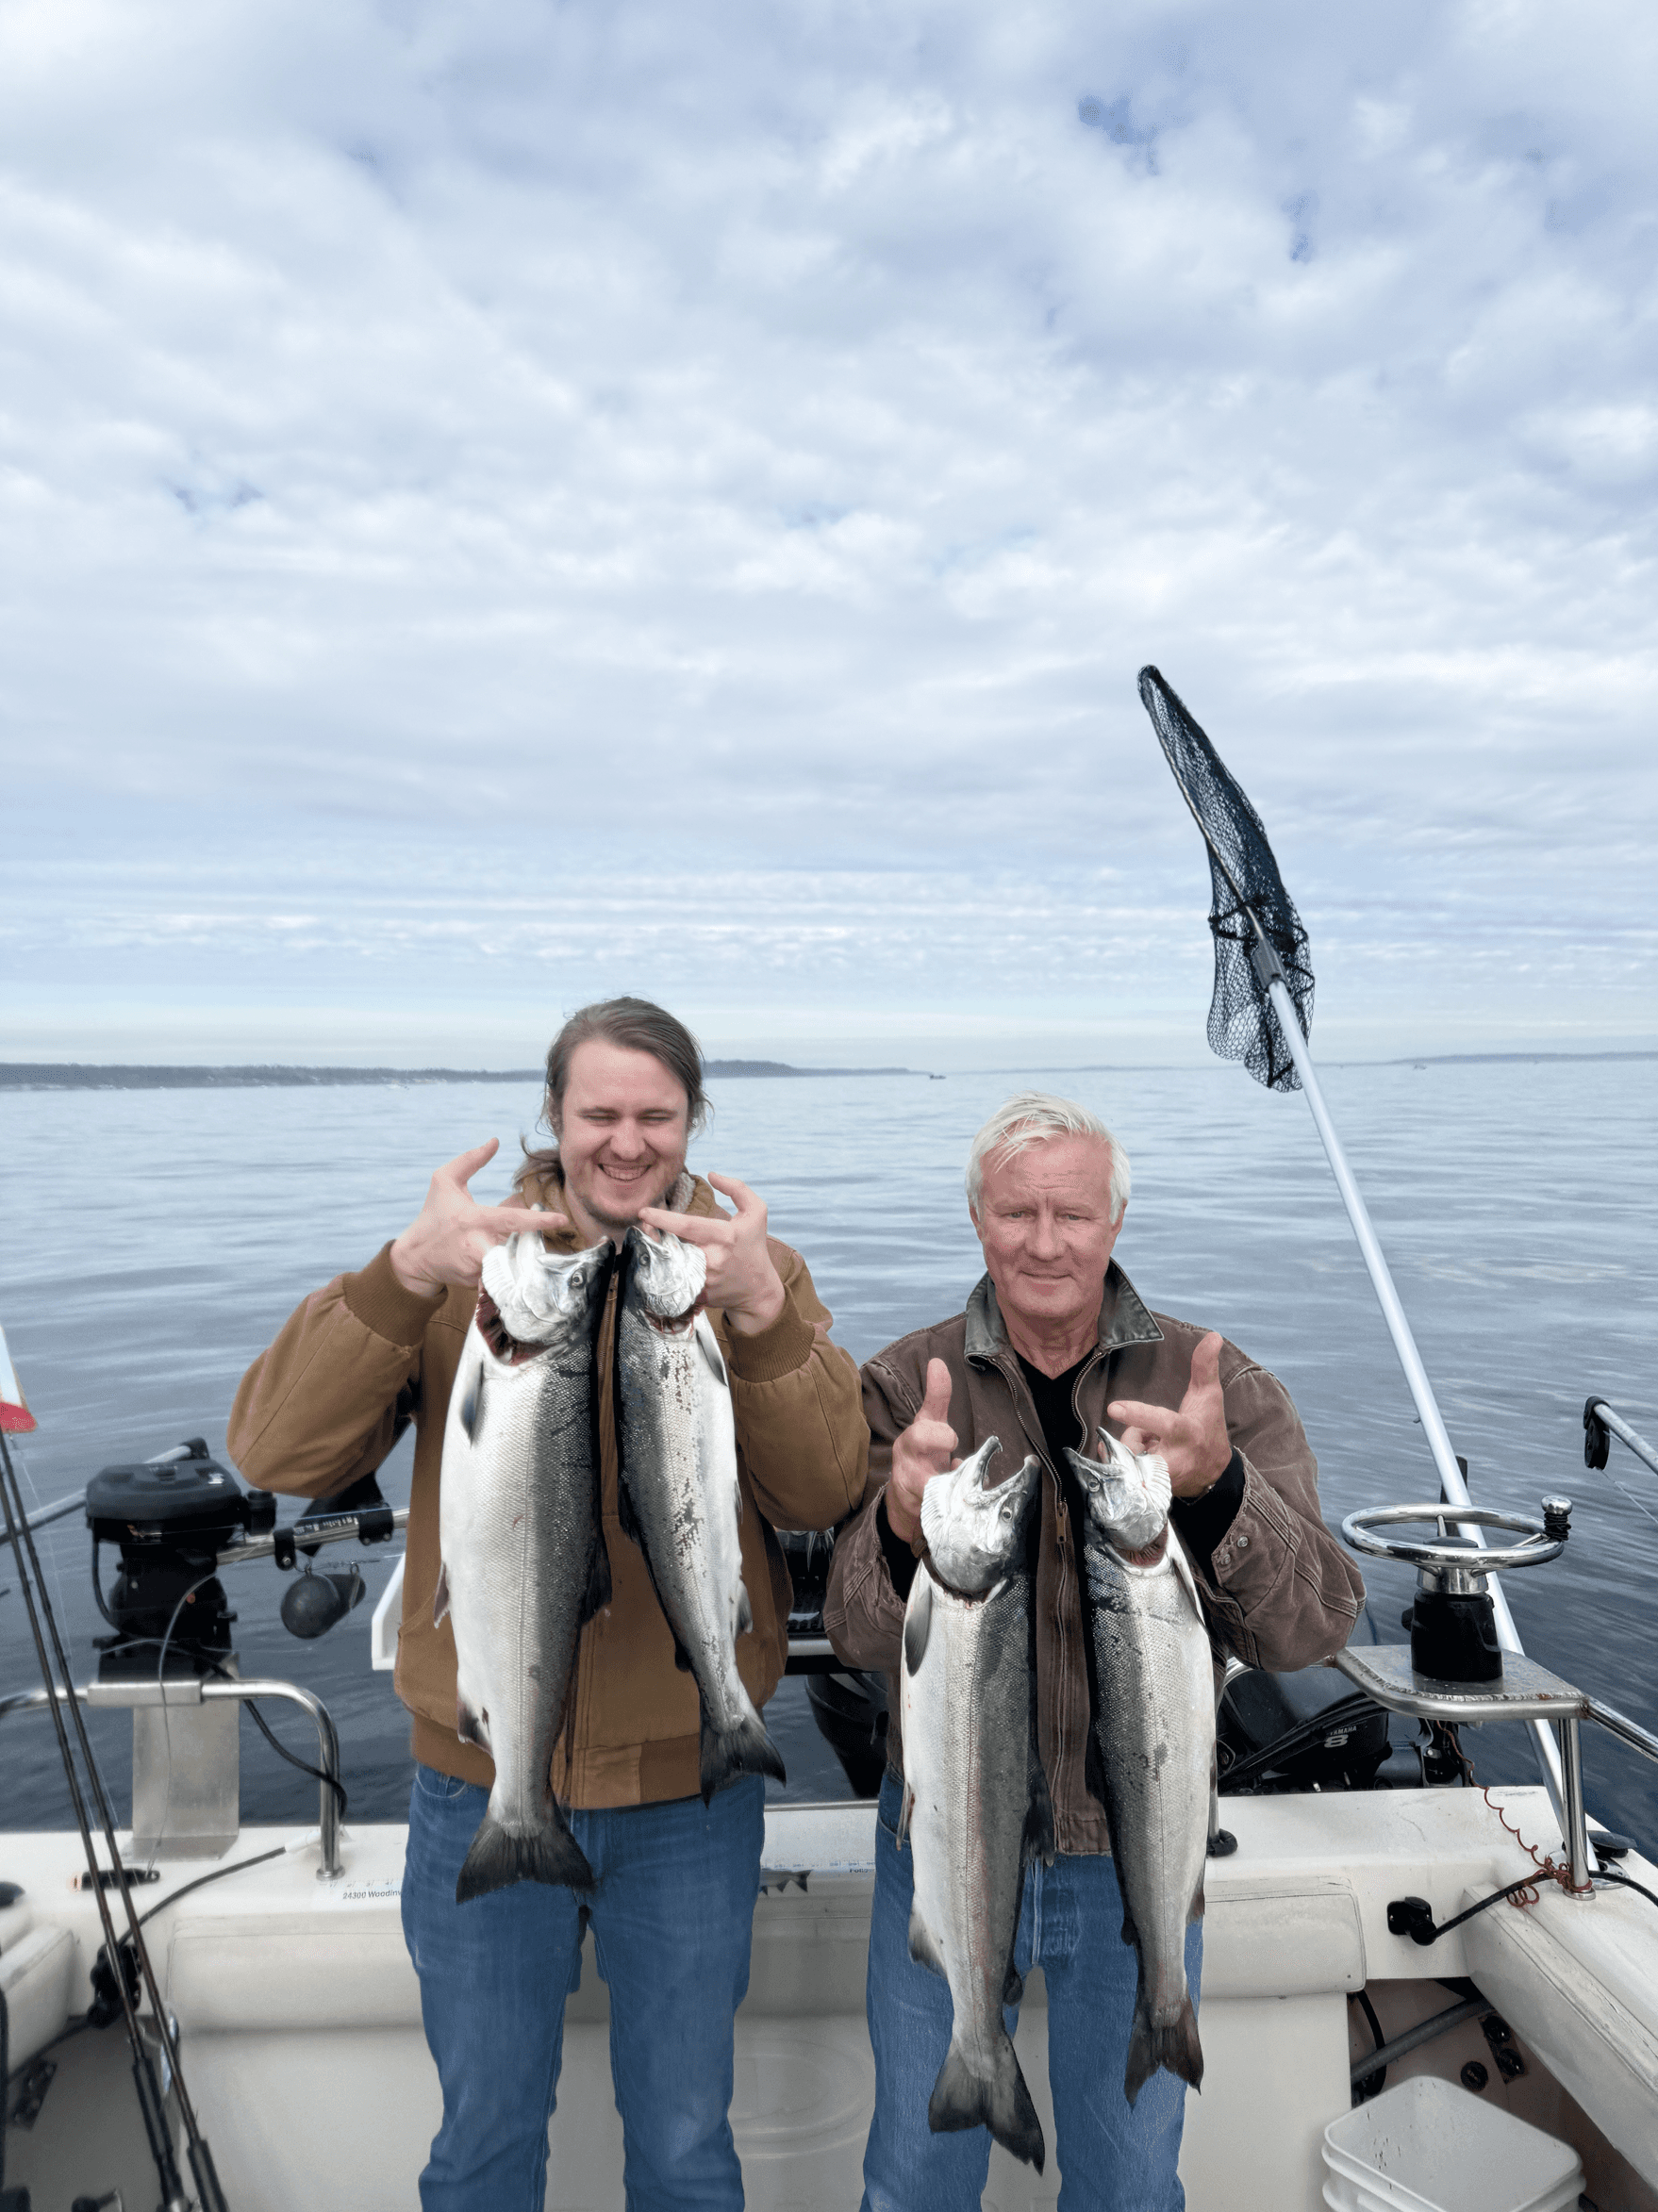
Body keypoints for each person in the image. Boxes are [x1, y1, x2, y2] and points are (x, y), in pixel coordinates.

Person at [228, 997, 869, 2212]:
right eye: (599, 1113)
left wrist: (765, 1316)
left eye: (656, 1116)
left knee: (686, 2148)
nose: (627, 1142)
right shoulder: (467, 1266)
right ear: (554, 1115)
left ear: (694, 1120)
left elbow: (827, 1487)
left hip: (689, 1801)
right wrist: (400, 1275)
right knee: (481, 2149)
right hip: (477, 1783)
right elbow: (273, 1450)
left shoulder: (749, 1269)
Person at [823, 1091, 1364, 2212]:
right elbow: (858, 1632)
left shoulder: (1218, 1387)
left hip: (1138, 1846)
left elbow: (1313, 1624)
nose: (1044, 1242)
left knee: (1128, 2186)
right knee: (913, 2183)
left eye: (1071, 1214)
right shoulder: (904, 1389)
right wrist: (897, 1525)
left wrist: (1218, 1489)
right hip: (940, 1838)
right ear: (977, 1218)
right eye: (1016, 1212)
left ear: (1115, 1222)